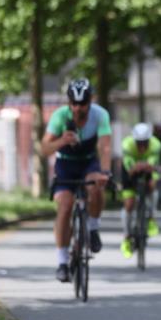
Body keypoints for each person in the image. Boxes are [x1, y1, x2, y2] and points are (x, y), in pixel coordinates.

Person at [40, 78, 112, 283]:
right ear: (69, 103)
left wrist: (105, 172)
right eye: (74, 103)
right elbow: (44, 149)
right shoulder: (60, 117)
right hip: (66, 166)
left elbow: (105, 146)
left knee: (96, 187)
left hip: (89, 163)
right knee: (65, 206)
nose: (78, 108)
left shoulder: (100, 115)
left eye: (83, 104)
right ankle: (62, 262)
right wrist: (62, 140)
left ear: (91, 101)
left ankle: (93, 227)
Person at [119, 122, 161, 258]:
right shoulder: (127, 144)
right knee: (129, 204)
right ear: (134, 140)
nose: (142, 146)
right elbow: (129, 168)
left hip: (147, 169)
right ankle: (126, 237)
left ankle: (151, 218)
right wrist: (135, 167)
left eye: (145, 143)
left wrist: (148, 166)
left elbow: (153, 164)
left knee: (152, 184)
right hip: (130, 170)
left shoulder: (156, 145)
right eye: (139, 143)